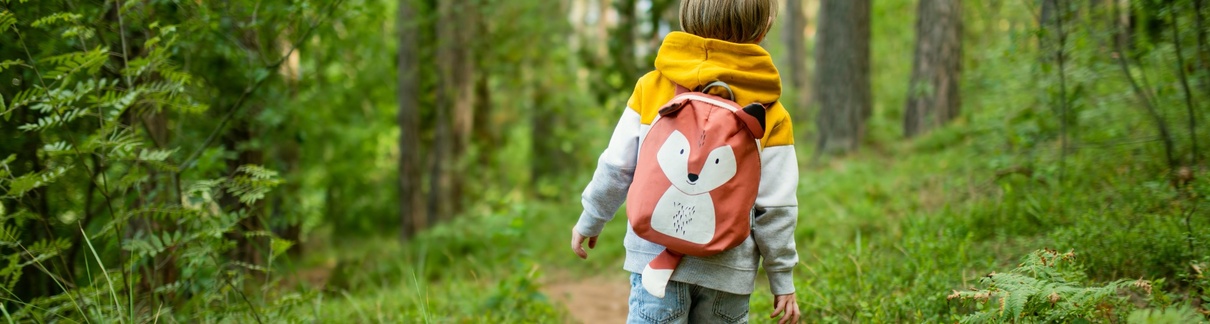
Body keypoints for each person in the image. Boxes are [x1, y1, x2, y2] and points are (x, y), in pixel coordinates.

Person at [570, 0, 801, 323]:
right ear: (762, 30)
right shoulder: (771, 112)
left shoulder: (652, 87)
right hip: (727, 272)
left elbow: (617, 166)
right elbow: (776, 208)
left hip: (654, 263)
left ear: (688, 16)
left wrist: (592, 216)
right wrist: (782, 276)